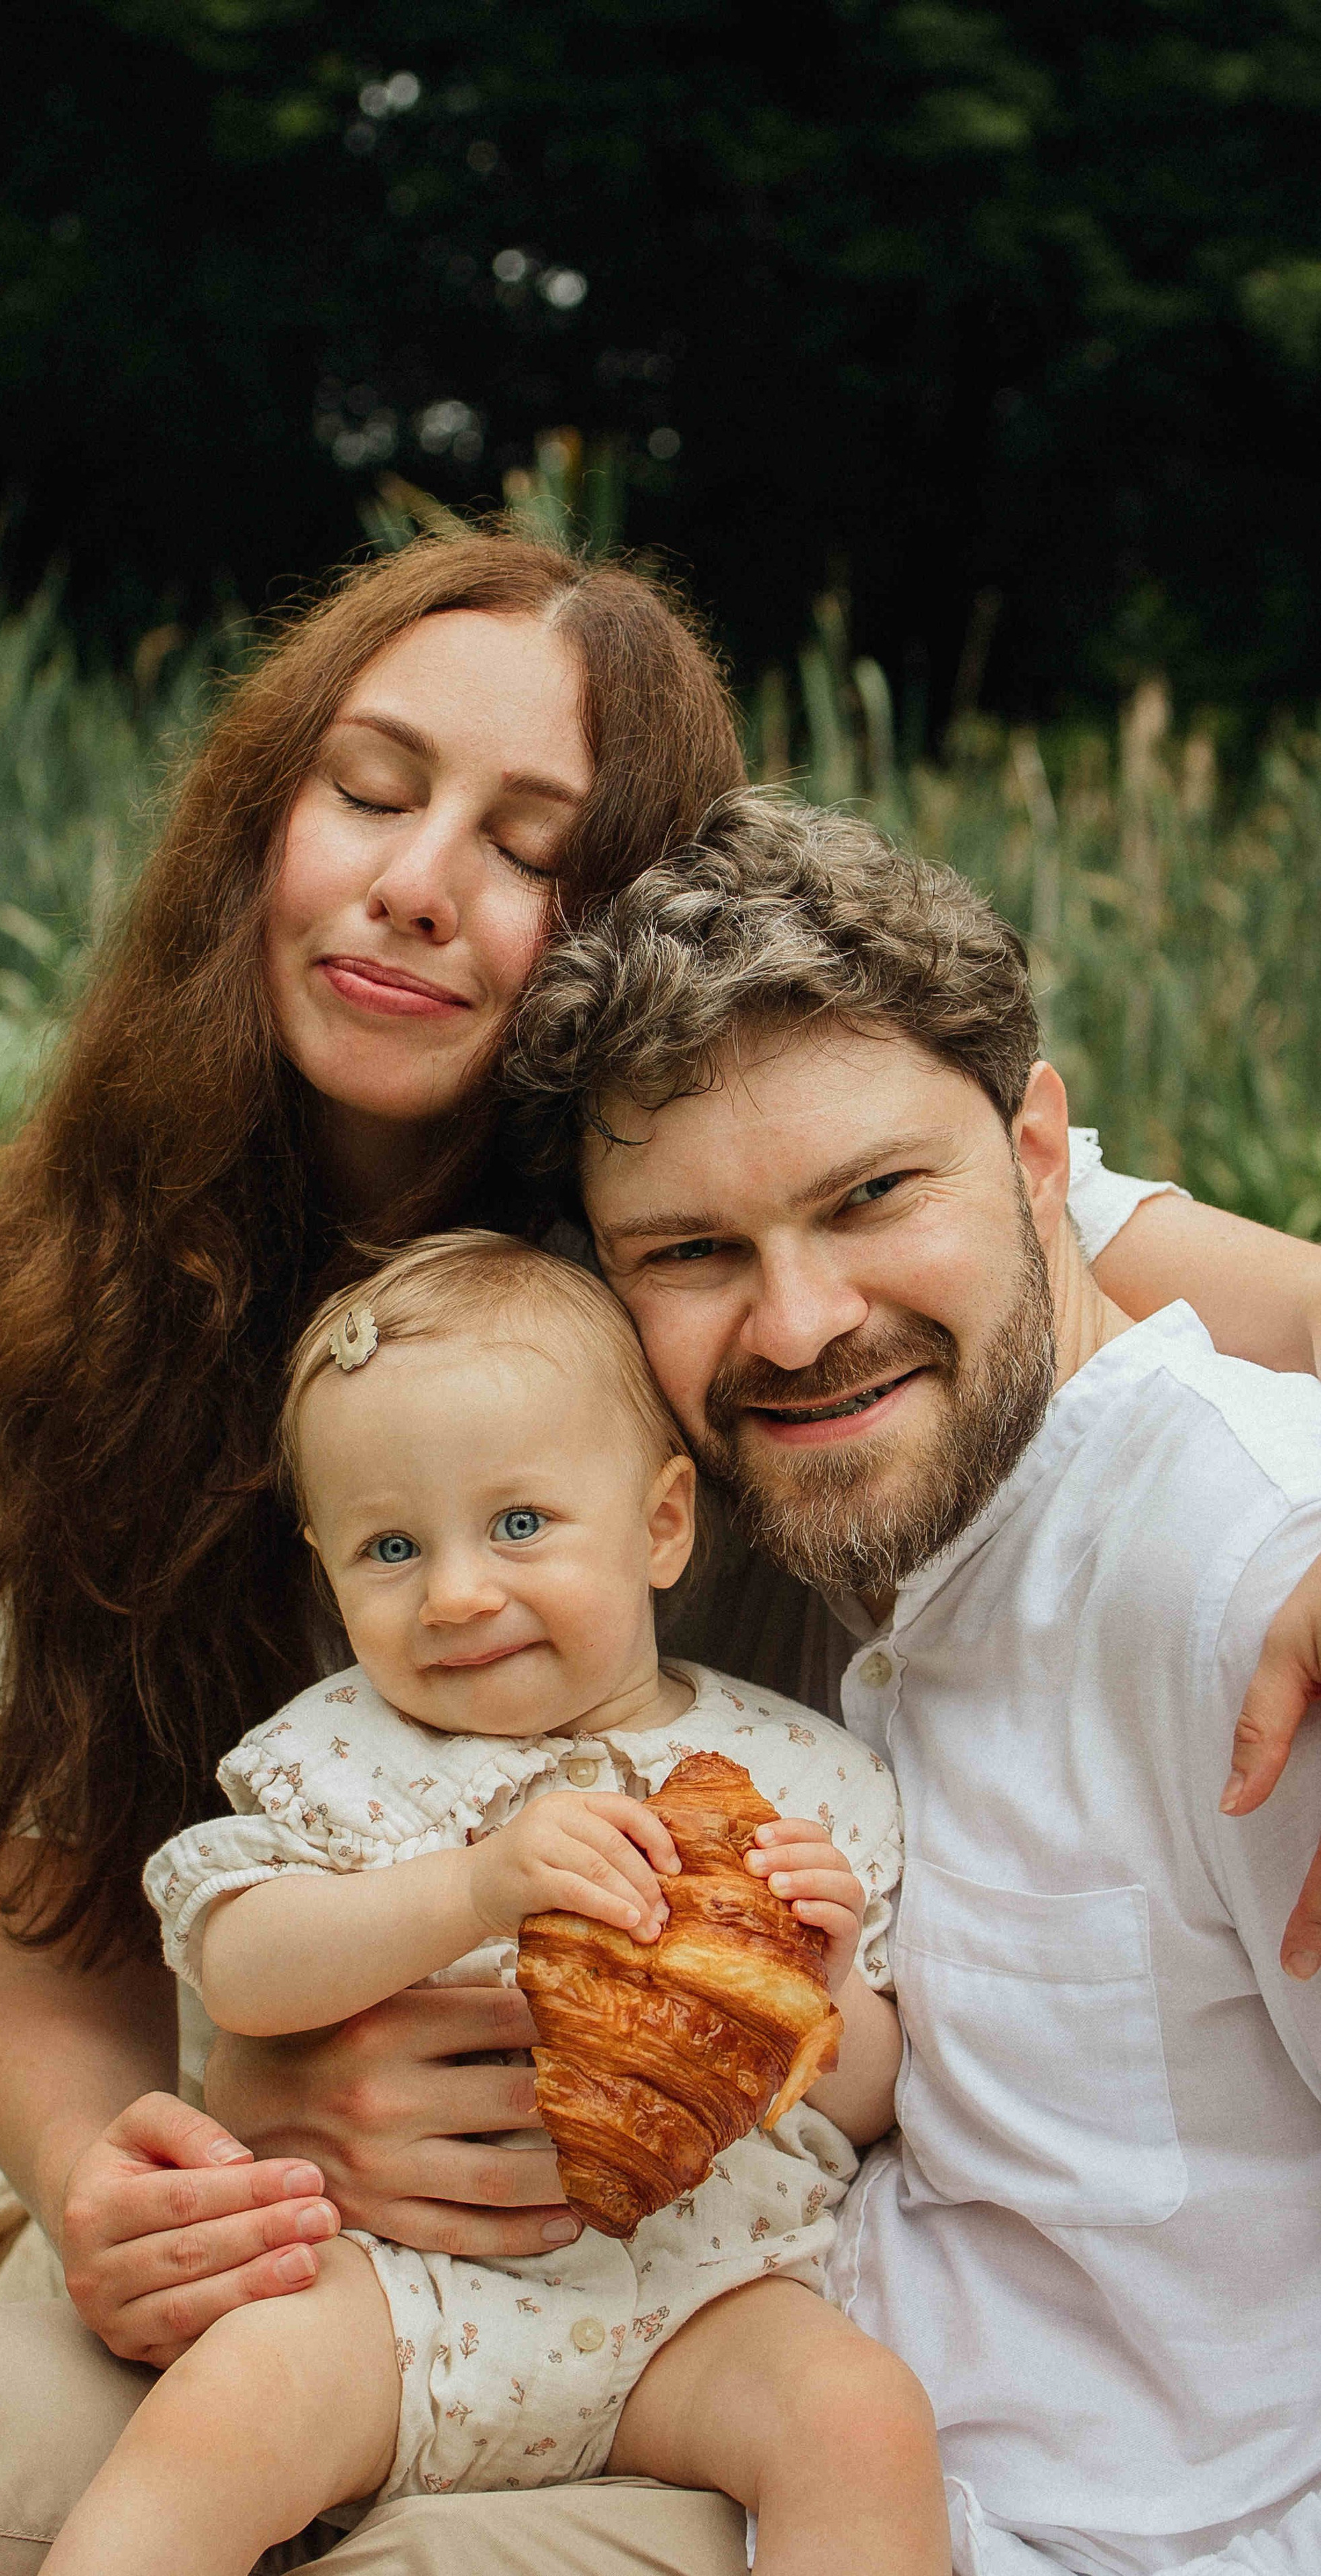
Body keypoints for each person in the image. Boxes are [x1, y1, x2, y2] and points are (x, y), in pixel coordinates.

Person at [0, 529, 1321, 2576]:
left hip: (696, 2302)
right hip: (270, 2238)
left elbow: (1194, 1344)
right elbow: (57, 1965)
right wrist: (138, 2168)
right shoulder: (81, 1324)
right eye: (373, 786)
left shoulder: (744, 1148)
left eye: (529, 843)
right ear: (262, 821)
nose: (421, 879)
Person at [500, 790, 1321, 2574]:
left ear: (1043, 1158)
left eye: (872, 1199)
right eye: (693, 1254)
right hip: (768, 2429)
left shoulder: (1254, 1580)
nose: (795, 1325)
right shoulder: (889, 1562)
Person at [46, 1230, 942, 2576]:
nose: (458, 1592)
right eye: (390, 1547)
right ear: (325, 1568)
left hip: (702, 2298)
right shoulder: (340, 1752)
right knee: (218, 2422)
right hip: (399, 2298)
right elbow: (238, 1965)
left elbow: (869, 2103)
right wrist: (467, 1887)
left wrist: (824, 1985)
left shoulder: (800, 1778)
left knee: (860, 2420)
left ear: (658, 1524)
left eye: (518, 1524)